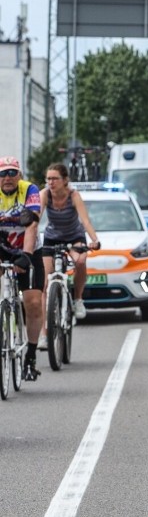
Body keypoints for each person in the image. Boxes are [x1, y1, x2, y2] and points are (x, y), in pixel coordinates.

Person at [39, 163, 101, 331]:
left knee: (80, 260)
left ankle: (78, 299)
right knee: (44, 283)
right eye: (48, 179)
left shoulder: (73, 196)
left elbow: (85, 221)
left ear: (65, 180)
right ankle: (45, 334)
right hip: (52, 237)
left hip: (74, 236)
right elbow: (35, 218)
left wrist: (94, 240)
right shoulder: (45, 195)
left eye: (55, 179)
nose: (51, 182)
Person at [0, 157, 45, 381]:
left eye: (12, 173)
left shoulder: (29, 190)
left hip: (29, 250)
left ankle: (30, 356)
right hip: (3, 247)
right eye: (2, 174)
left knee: (34, 303)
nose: (7, 178)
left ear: (19, 174)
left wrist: (26, 256)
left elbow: (32, 224)